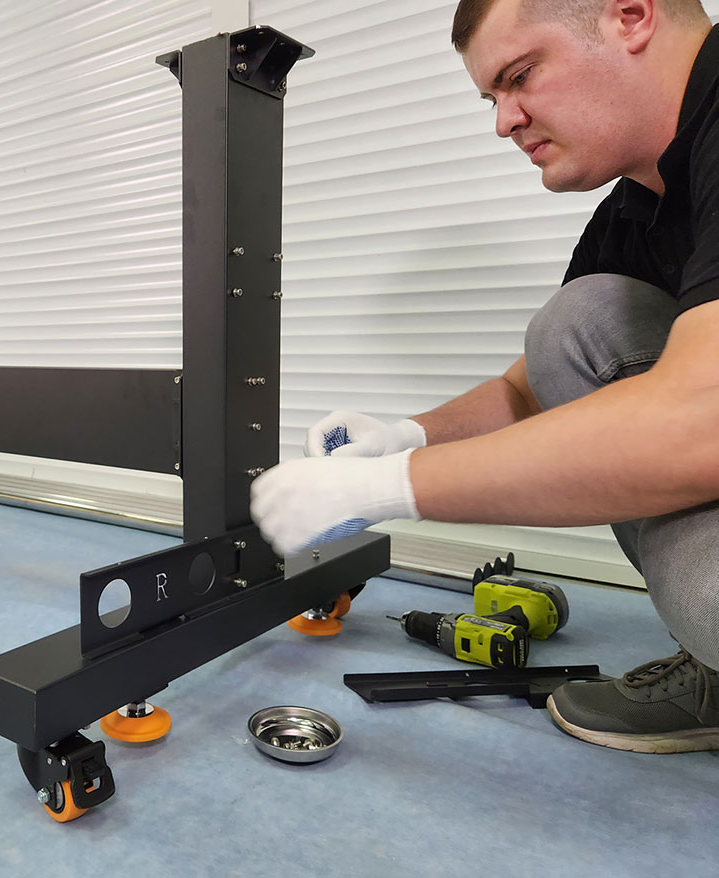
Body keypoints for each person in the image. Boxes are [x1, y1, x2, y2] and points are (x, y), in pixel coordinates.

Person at [249, 0, 719, 753]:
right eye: (490, 98)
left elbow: (701, 423)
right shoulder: (640, 209)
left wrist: (382, 488)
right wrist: (405, 437)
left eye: (520, 76)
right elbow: (528, 391)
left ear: (631, 17)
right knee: (578, 321)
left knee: (709, 594)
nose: (505, 122)